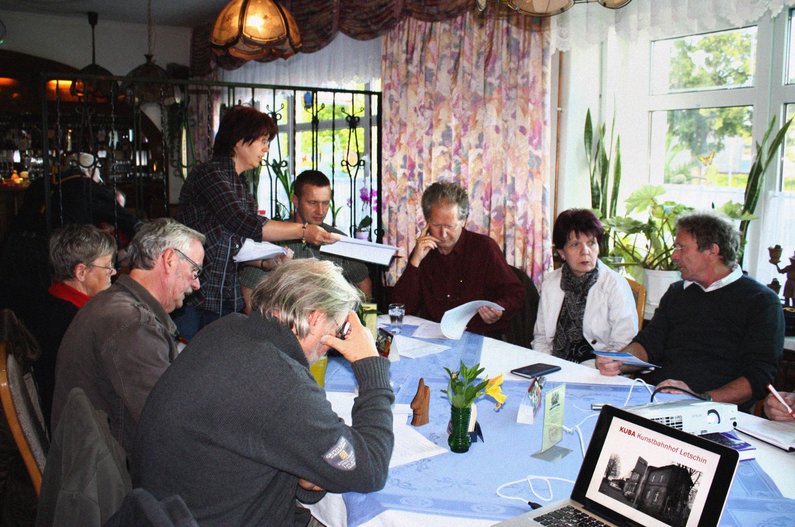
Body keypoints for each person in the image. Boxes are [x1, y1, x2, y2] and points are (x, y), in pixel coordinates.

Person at [132, 259, 394, 527]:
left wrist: (304, 473)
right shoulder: (282, 383)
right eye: (338, 328)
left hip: (169, 509)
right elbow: (370, 470)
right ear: (314, 318)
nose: (336, 341)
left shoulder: (228, 328)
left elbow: (249, 441)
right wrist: (370, 365)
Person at [175, 105, 337, 339]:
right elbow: (243, 222)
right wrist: (304, 231)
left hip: (225, 297)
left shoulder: (239, 184)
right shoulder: (210, 174)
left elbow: (238, 244)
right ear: (239, 140)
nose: (265, 149)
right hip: (195, 296)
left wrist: (263, 263)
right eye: (262, 140)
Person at [596, 212, 784, 412]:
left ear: (712, 250)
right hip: (659, 403)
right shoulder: (678, 292)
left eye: (681, 247)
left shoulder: (761, 302)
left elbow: (758, 377)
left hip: (717, 414)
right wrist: (619, 361)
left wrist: (700, 399)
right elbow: (649, 345)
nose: (674, 255)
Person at [50, 218, 205, 452]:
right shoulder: (130, 322)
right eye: (195, 270)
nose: (197, 284)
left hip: (105, 455)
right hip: (110, 474)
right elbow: (167, 421)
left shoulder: (119, 303)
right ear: (170, 260)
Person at [391, 181, 524, 336]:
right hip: (433, 336)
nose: (443, 234)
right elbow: (402, 307)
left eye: (450, 226)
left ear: (463, 221)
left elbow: (516, 294)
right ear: (427, 222)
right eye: (436, 225)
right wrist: (415, 262)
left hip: (478, 334)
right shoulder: (424, 251)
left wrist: (499, 310)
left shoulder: (484, 248)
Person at [22, 224, 116, 426]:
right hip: (78, 429)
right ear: (81, 272)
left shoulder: (50, 299)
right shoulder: (76, 321)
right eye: (107, 265)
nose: (113, 271)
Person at [239, 169, 373, 311]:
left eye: (325, 203)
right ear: (295, 201)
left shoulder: (337, 239)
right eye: (313, 202)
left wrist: (359, 321)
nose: (320, 211)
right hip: (283, 325)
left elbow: (363, 283)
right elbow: (249, 292)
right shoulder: (274, 239)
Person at [533, 209, 637, 363]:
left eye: (591, 243)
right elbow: (541, 338)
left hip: (599, 370)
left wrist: (598, 367)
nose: (585, 252)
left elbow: (625, 343)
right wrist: (544, 367)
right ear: (561, 252)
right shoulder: (550, 283)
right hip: (554, 368)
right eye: (575, 245)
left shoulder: (615, 285)